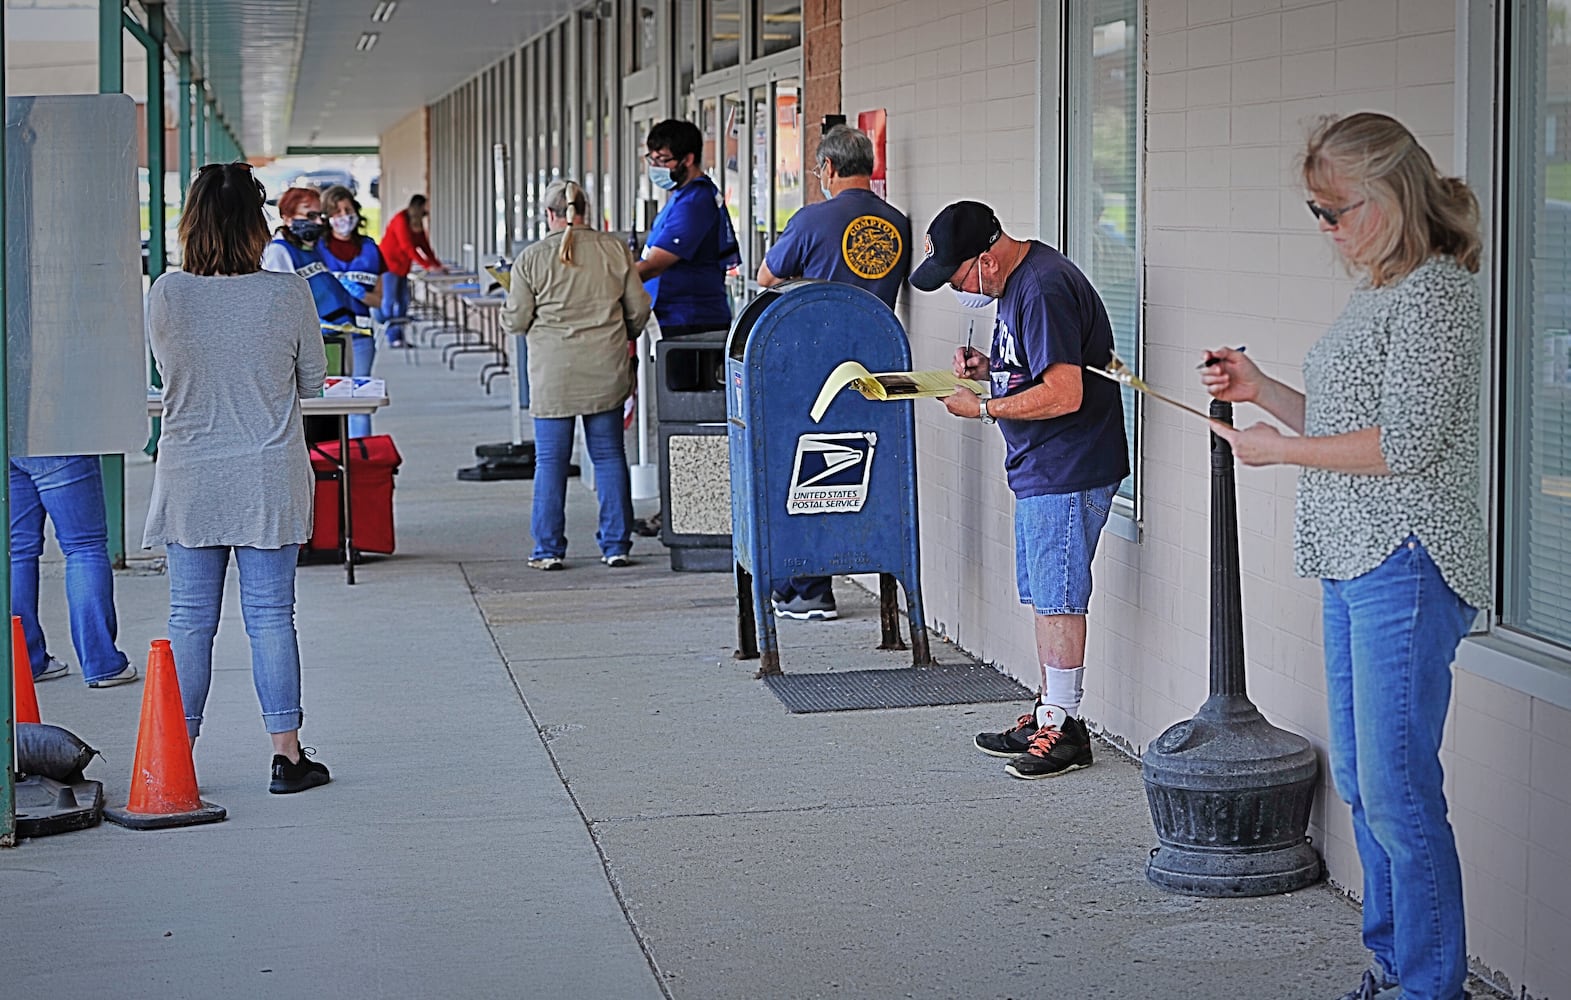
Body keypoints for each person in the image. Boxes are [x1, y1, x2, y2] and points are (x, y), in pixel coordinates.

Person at [1201, 113, 1486, 1000]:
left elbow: (1401, 444)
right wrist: (1265, 395)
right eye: (1313, 212)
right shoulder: (1378, 287)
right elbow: (1344, 420)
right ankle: (1396, 967)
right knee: (1366, 785)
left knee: (1398, 792)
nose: (1324, 228)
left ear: (1390, 197)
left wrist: (1275, 450)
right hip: (1356, 559)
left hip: (1405, 559)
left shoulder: (1436, 296)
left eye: (1335, 210)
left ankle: (1426, 986)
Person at [910, 201, 1128, 780]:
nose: (961, 291)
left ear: (987, 258)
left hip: (1068, 464)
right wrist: (990, 367)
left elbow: (1064, 392)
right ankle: (1052, 708)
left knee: (1059, 598)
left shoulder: (1043, 288)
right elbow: (1039, 366)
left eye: (959, 278)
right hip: (1043, 465)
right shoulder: (1018, 285)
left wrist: (982, 407)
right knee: (1044, 594)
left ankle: (1065, 726)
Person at [143, 162, 331, 795]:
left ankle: (180, 757)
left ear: (191, 224)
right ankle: (286, 756)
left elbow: (166, 373)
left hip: (191, 473)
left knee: (190, 620)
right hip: (267, 475)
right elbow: (311, 385)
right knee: (272, 617)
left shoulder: (167, 293)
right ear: (257, 225)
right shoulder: (287, 292)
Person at [757, 123, 913, 622]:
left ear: (826, 167)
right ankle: (869, 577)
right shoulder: (897, 222)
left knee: (805, 468)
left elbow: (767, 276)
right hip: (877, 363)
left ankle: (806, 586)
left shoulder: (812, 218)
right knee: (865, 469)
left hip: (813, 362)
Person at [501, 180, 652, 571]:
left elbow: (517, 319)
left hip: (554, 374)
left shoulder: (531, 258)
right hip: (605, 369)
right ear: (586, 208)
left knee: (550, 461)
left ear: (549, 215)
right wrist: (623, 337)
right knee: (608, 455)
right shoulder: (615, 249)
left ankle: (548, 549)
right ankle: (616, 544)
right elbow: (638, 309)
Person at [9, 457, 136, 687]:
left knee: (17, 552)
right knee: (84, 547)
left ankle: (25, 660)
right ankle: (102, 664)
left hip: (7, 438)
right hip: (57, 438)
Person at [635, 119, 739, 338]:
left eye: (663, 160)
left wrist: (607, 280)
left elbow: (654, 265)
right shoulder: (684, 197)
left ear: (688, 159)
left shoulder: (694, 203)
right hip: (677, 316)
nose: (656, 168)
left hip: (691, 321)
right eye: (652, 160)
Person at [318, 184, 385, 438]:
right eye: (336, 211)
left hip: (360, 334)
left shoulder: (369, 249)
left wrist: (361, 294)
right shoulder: (316, 250)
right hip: (325, 335)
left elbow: (380, 301)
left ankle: (360, 456)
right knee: (326, 401)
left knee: (359, 399)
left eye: (348, 210)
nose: (344, 216)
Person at [262, 186, 363, 325]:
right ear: (288, 219)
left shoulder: (311, 249)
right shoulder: (278, 251)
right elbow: (278, 304)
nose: (319, 222)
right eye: (310, 216)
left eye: (320, 215)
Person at [378, 193, 444, 346]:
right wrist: (427, 266)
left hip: (402, 266)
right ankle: (392, 335)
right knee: (390, 300)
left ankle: (399, 335)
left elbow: (424, 245)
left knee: (404, 300)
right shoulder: (400, 220)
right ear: (418, 207)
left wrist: (437, 265)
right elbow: (407, 246)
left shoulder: (417, 223)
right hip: (389, 264)